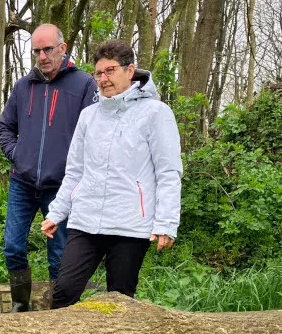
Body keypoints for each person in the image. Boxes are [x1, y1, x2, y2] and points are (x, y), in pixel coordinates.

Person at [40, 39, 182, 308]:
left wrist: (165, 222)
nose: (103, 79)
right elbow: (75, 172)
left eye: (111, 71)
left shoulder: (156, 113)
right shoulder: (89, 116)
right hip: (86, 220)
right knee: (64, 292)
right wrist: (57, 213)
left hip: (130, 225)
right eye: (99, 73)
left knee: (120, 300)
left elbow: (168, 172)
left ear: (130, 71)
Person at [0, 23, 99, 311]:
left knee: (59, 255)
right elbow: (5, 128)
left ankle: (59, 310)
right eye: (36, 51)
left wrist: (75, 171)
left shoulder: (84, 85)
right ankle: (20, 304)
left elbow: (94, 135)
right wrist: (19, 155)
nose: (42, 56)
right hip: (23, 182)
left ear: (63, 48)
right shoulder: (23, 87)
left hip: (61, 187)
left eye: (47, 49)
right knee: (13, 247)